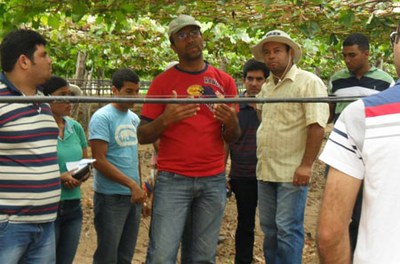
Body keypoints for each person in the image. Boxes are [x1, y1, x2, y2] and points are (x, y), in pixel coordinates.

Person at [137, 14, 241, 263]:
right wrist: (166, 119)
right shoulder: (162, 83)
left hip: (212, 180)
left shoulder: (224, 81)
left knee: (203, 257)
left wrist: (231, 121)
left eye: (194, 32)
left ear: (202, 38)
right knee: (162, 255)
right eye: (182, 36)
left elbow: (233, 136)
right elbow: (142, 134)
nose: (190, 39)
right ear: (173, 46)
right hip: (174, 179)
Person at [317, 22, 400, 263]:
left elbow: (329, 234)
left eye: (352, 55)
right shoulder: (337, 81)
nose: (347, 60)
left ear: (367, 53)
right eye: (344, 56)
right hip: (347, 148)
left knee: (365, 205)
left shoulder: (366, 105)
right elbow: (330, 113)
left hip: (359, 145)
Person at [251, 30, 329, 264]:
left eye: (277, 51)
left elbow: (316, 126)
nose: (271, 56)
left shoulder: (308, 82)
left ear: (290, 53)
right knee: (270, 229)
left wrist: (306, 166)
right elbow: (264, 120)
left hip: (291, 172)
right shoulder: (267, 87)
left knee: (287, 229)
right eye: (267, 52)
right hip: (266, 170)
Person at [0, 30, 60, 263]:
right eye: (44, 55)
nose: (49, 61)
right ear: (24, 61)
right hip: (8, 225)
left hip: (45, 222)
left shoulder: (42, 101)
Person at [88, 68, 147, 264]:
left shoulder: (133, 118)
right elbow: (99, 160)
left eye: (137, 91)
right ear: (115, 90)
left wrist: (138, 187)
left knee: (125, 254)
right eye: (129, 91)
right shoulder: (102, 117)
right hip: (110, 196)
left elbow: (133, 157)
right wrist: (131, 184)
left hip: (132, 195)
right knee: (108, 254)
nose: (134, 96)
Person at [42, 76, 89, 264]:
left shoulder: (75, 127)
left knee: (65, 259)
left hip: (73, 204)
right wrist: (61, 177)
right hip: (49, 205)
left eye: (70, 95)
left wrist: (79, 176)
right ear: (46, 98)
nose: (68, 100)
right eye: (62, 96)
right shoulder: (40, 128)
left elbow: (86, 161)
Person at [227, 58, 269, 264]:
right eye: (250, 79)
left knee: (274, 224)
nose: (254, 83)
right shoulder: (234, 107)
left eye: (259, 79)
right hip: (243, 174)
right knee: (245, 223)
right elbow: (225, 140)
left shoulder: (272, 105)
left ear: (266, 81)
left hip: (270, 173)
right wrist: (225, 172)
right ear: (243, 80)